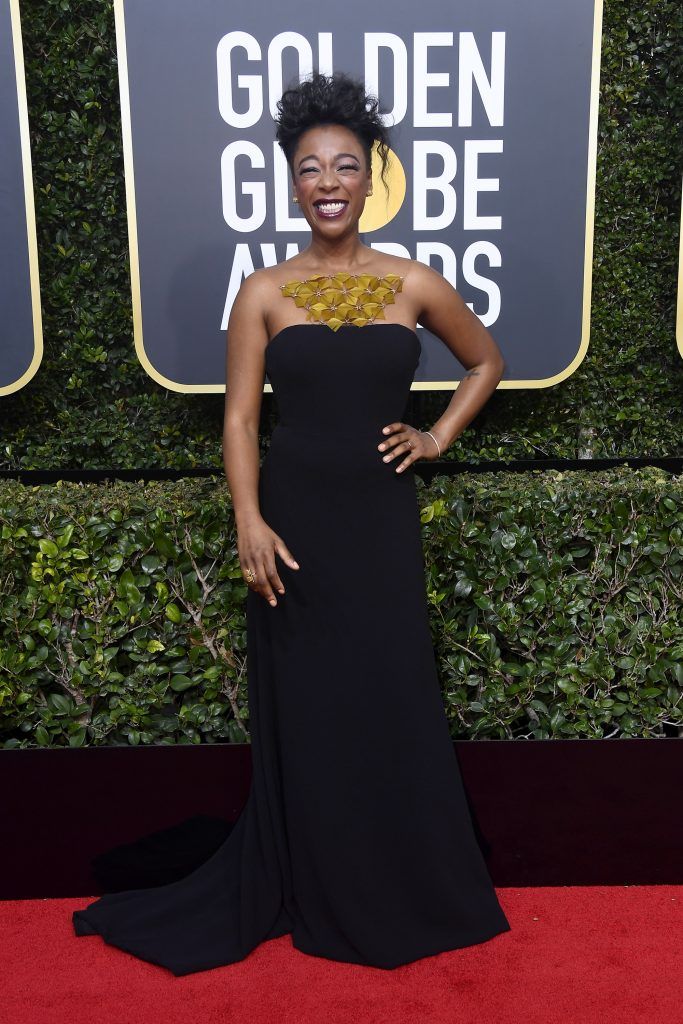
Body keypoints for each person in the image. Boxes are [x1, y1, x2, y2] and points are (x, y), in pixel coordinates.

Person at [72, 70, 510, 975]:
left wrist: (434, 437)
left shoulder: (413, 280)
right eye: (310, 167)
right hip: (297, 523)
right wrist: (248, 521)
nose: (328, 181)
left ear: (370, 175)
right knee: (314, 711)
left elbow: (485, 360)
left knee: (389, 698)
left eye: (346, 164)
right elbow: (239, 421)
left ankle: (401, 880)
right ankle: (317, 873)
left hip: (380, 526)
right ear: (291, 181)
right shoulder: (264, 291)